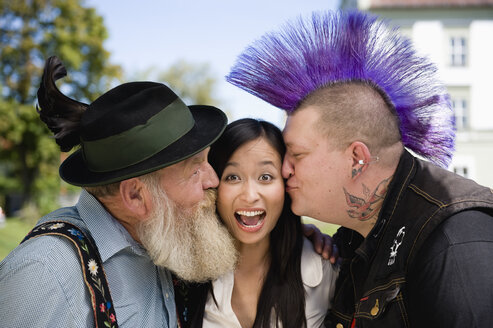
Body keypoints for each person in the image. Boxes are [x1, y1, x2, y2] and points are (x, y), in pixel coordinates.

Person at [226, 10, 493, 328]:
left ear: (357, 159)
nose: (284, 169)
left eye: (296, 154)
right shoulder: (353, 240)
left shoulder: (452, 243)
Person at [0, 56, 237, 327]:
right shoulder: (45, 273)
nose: (214, 180)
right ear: (136, 196)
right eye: (195, 170)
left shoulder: (159, 240)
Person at [176, 118, 338, 328]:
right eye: (233, 177)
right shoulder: (184, 273)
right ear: (214, 186)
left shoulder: (323, 270)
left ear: (285, 186)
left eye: (265, 177)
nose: (250, 195)